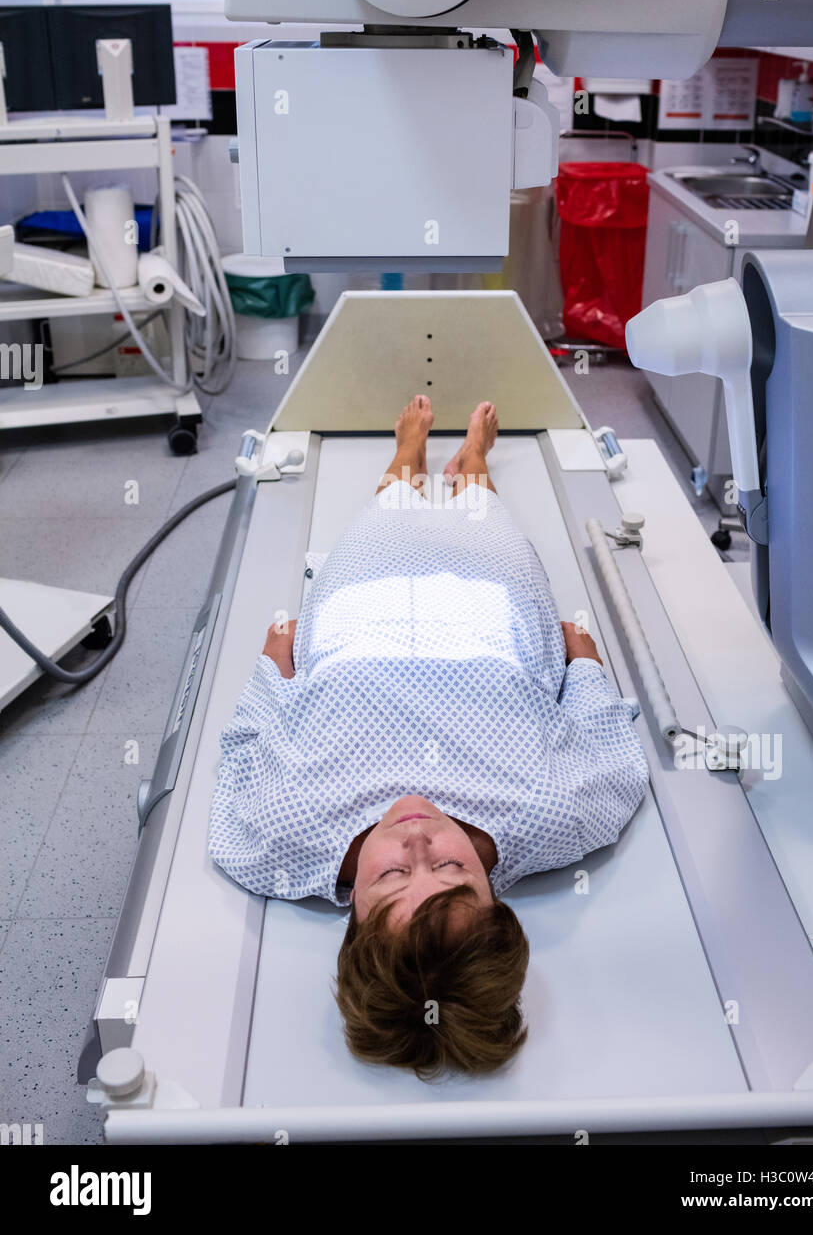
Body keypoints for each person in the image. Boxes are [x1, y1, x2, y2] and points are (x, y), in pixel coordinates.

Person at [208, 397, 649, 1077]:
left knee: (384, 516)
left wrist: (272, 668)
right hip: (490, 614)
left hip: (362, 617)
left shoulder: (275, 834)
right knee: (482, 516)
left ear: (352, 914)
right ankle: (473, 464)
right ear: (494, 900)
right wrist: (586, 663)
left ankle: (406, 456)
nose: (418, 843)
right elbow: (613, 756)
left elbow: (242, 749)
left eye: (391, 875)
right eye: (451, 871)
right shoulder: (553, 814)